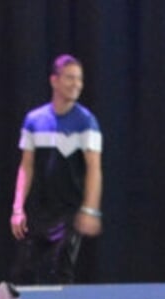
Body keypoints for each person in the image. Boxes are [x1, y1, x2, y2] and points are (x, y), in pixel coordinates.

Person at [10, 54, 103, 285]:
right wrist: (18, 208)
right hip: (39, 209)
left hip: (69, 210)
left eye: (79, 79)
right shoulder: (34, 120)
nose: (76, 85)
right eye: (70, 78)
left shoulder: (86, 121)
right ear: (55, 81)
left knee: (60, 268)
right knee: (24, 271)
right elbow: (26, 166)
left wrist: (90, 209)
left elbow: (94, 168)